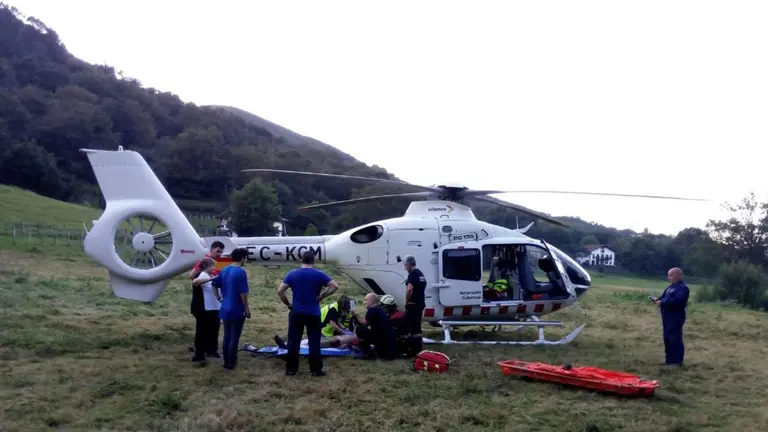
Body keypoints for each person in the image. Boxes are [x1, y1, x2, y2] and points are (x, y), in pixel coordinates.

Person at [277, 250, 339, 377]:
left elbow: (280, 291)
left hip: (296, 312)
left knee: (294, 341)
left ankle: (291, 369)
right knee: (314, 342)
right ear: (313, 261)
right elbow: (334, 286)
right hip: (313, 313)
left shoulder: (293, 274)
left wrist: (288, 304)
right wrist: (323, 295)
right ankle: (316, 370)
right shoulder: (319, 274)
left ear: (302, 260)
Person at [211, 247, 251, 370]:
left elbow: (213, 284)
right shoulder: (240, 272)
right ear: (242, 258)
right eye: (245, 258)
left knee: (227, 336)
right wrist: (247, 309)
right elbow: (243, 293)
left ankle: (226, 361)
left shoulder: (224, 270)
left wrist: (218, 298)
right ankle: (231, 362)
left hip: (225, 308)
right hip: (236, 309)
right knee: (234, 337)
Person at [188, 241, 225, 362]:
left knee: (213, 328)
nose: (215, 268)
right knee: (202, 330)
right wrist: (211, 278)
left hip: (212, 306)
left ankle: (211, 350)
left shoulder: (211, 270)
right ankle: (200, 353)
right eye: (218, 251)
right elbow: (194, 280)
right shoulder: (202, 273)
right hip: (202, 306)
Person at [651, 267, 690, 366]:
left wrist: (662, 302)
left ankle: (677, 361)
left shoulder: (683, 288)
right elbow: (664, 298)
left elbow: (677, 301)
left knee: (675, 338)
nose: (669, 278)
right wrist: (657, 300)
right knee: (667, 338)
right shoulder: (670, 287)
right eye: (668, 275)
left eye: (671, 275)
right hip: (666, 316)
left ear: (678, 275)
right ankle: (669, 360)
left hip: (675, 316)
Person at [355, 293, 396, 360]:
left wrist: (355, 314)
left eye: (365, 300)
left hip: (382, 340)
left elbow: (364, 324)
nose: (364, 302)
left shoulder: (372, 310)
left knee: (360, 330)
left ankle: (366, 353)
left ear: (370, 301)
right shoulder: (380, 309)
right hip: (388, 342)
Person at [403, 255, 426, 357]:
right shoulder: (420, 274)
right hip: (420, 304)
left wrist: (407, 300)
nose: (405, 268)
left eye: (405, 265)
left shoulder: (412, 274)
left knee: (411, 327)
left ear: (408, 265)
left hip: (413, 305)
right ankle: (418, 347)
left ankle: (412, 350)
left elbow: (409, 289)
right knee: (417, 327)